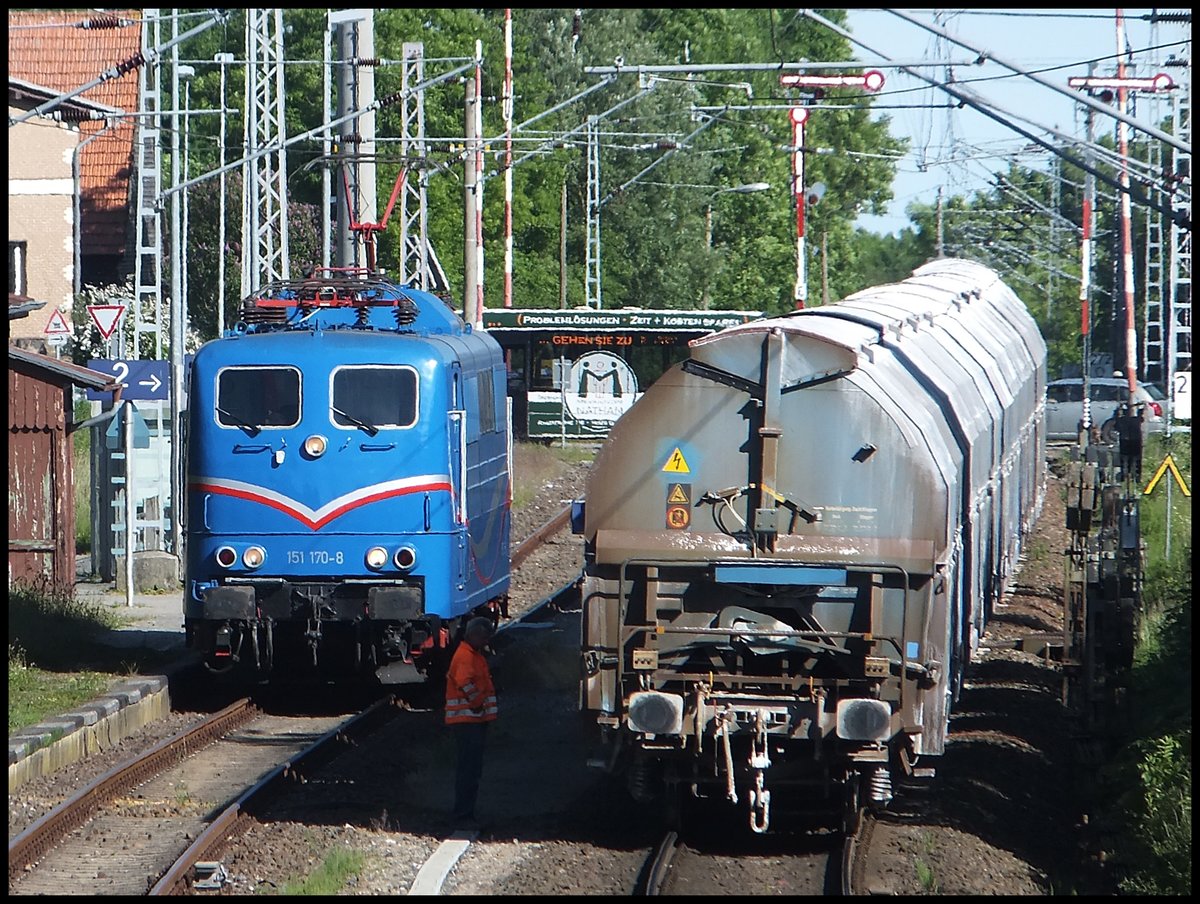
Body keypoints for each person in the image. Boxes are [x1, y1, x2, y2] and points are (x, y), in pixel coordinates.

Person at [444, 616, 498, 826]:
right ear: (474, 635)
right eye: (484, 638)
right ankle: (463, 816)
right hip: (468, 721)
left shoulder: (473, 655)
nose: (486, 642)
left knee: (471, 769)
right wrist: (477, 703)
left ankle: (466, 814)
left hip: (473, 720)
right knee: (468, 770)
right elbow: (465, 682)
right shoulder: (466, 657)